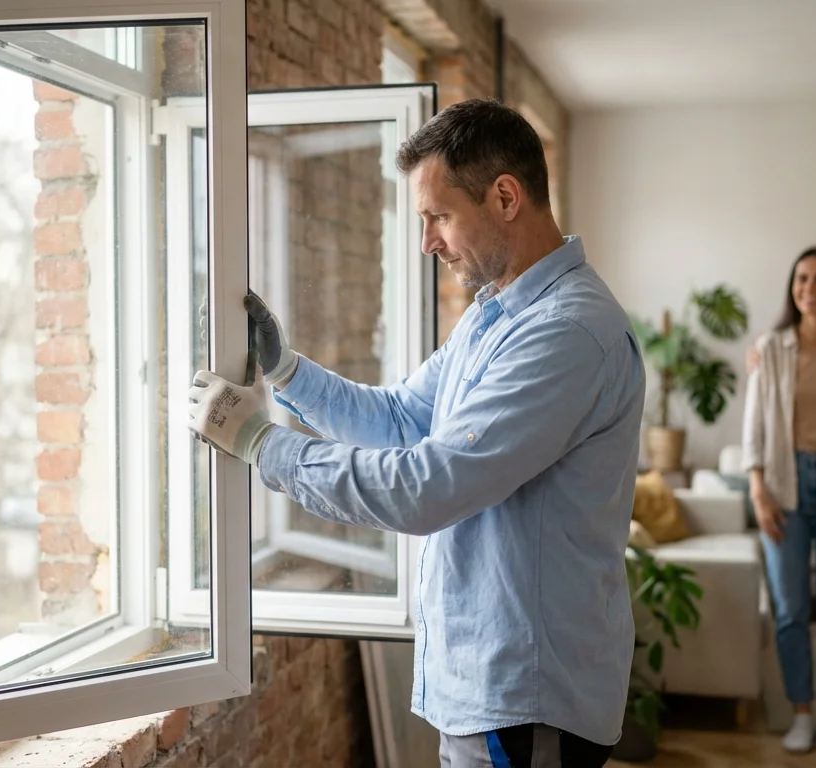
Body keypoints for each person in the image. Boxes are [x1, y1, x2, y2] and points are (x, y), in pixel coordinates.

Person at [186, 98, 645, 768]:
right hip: (488, 695)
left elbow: (429, 487)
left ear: (506, 197)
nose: (426, 240)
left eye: (438, 216)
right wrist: (285, 370)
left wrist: (262, 446)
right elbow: (400, 420)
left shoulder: (567, 334)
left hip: (528, 706)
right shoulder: (496, 317)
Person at [742, 246, 816, 755]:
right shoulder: (771, 348)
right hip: (784, 485)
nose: (809, 288)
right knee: (791, 610)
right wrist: (758, 489)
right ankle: (801, 711)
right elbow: (753, 425)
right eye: (801, 279)